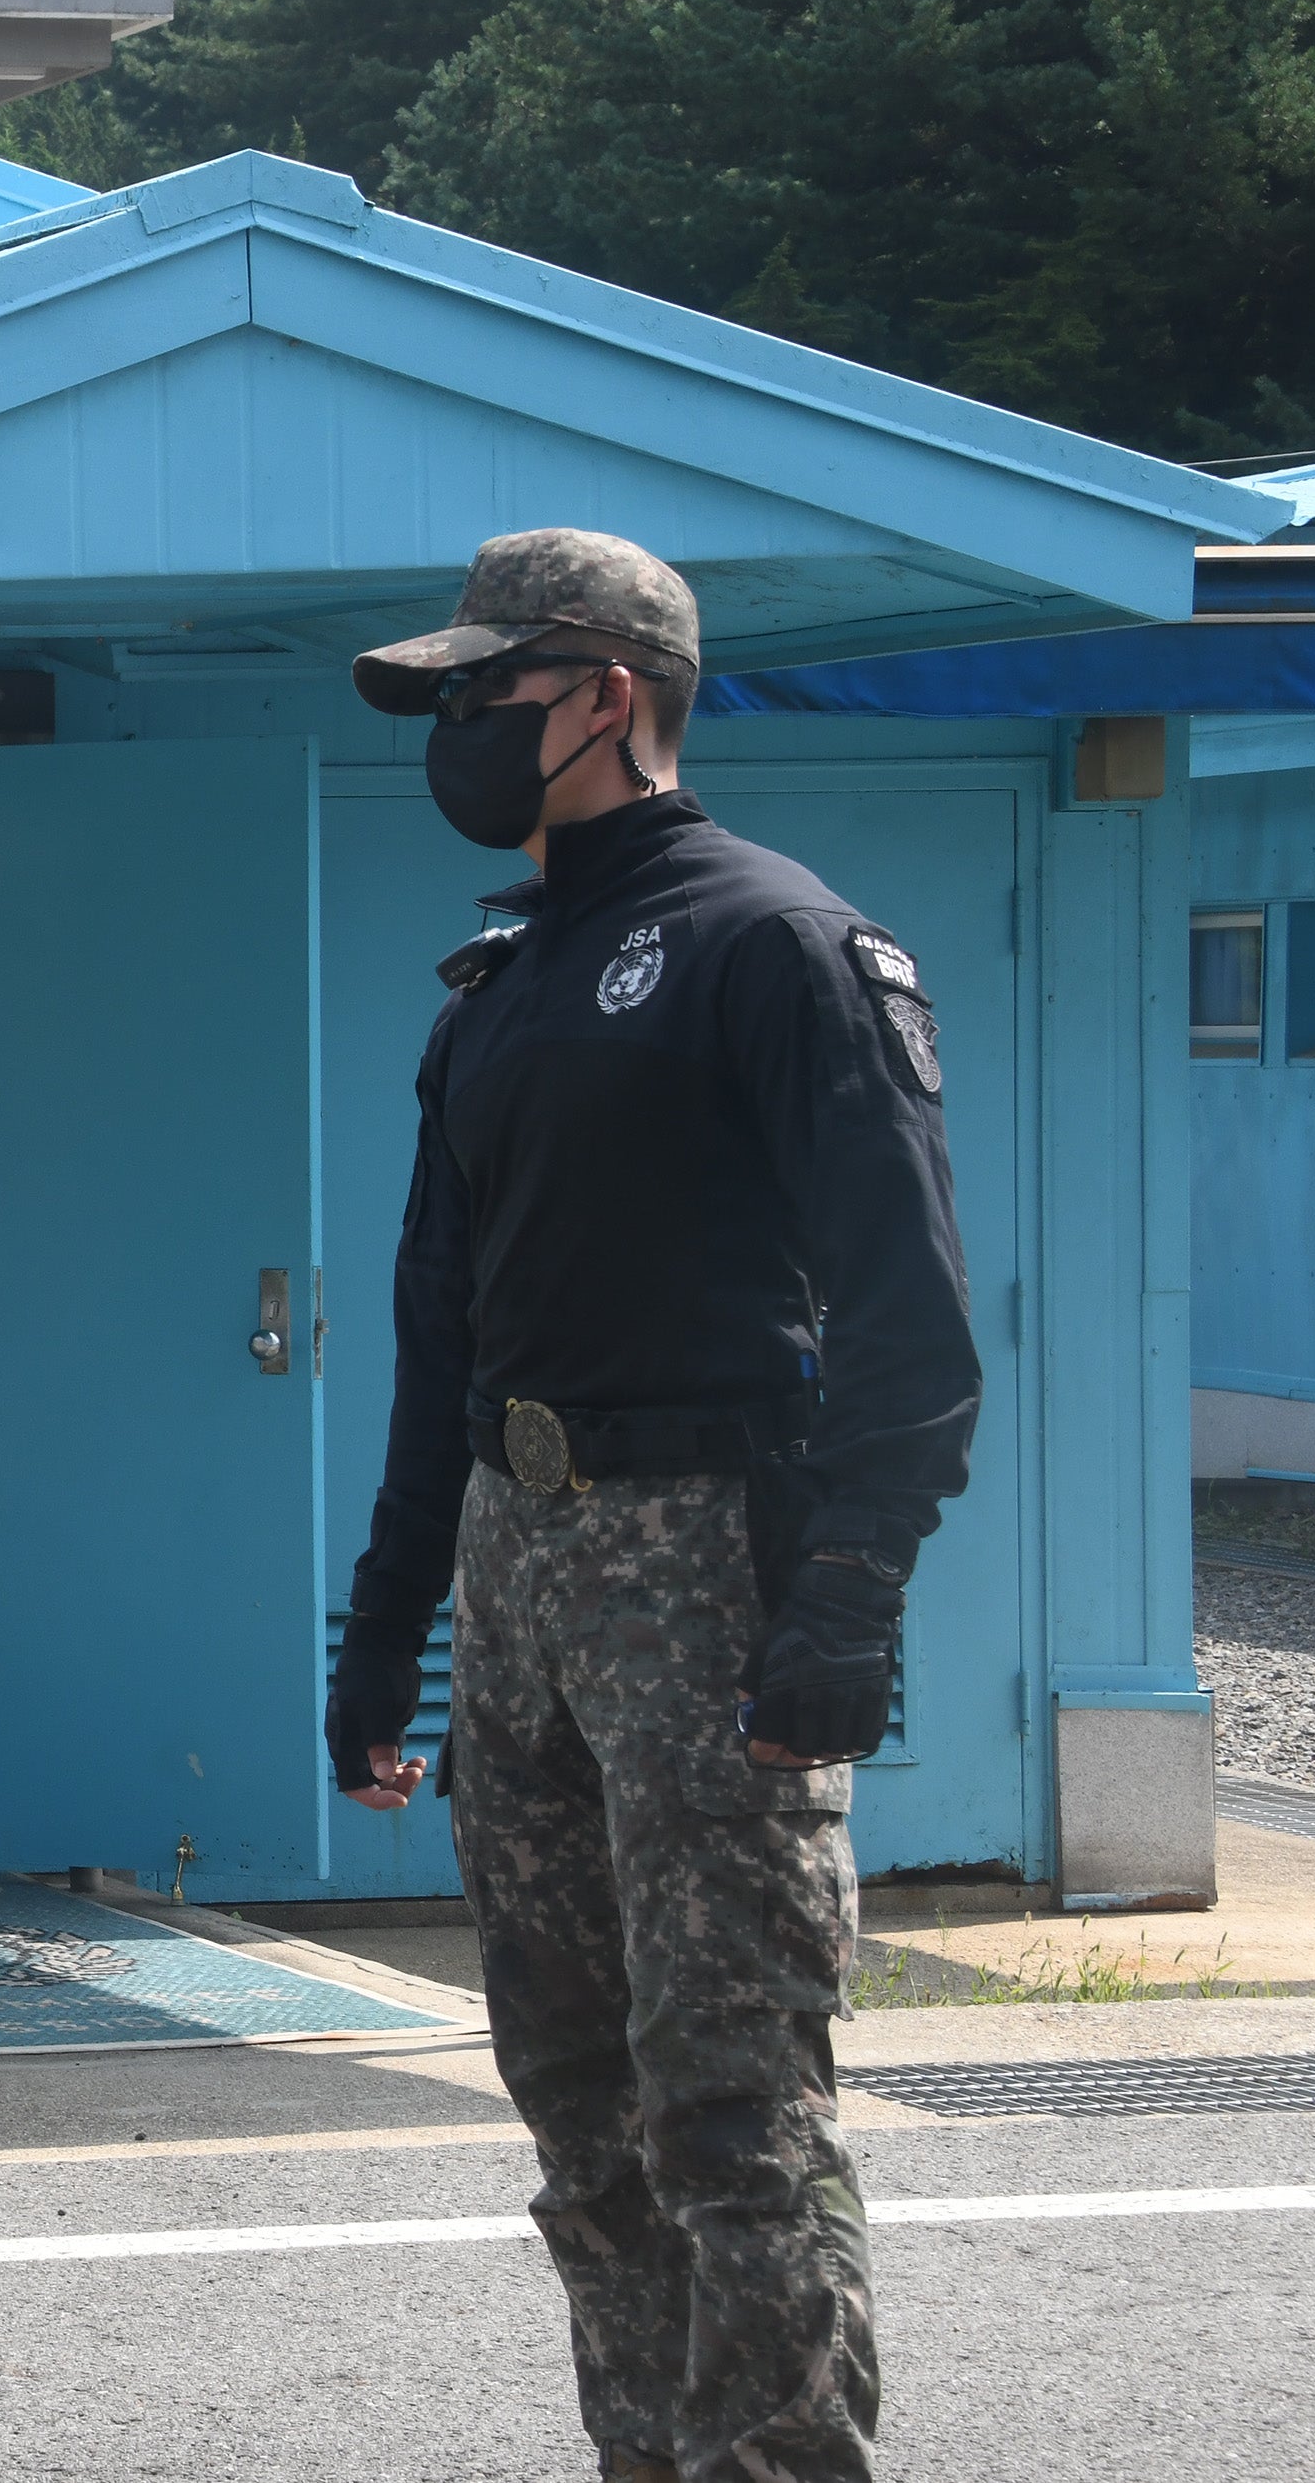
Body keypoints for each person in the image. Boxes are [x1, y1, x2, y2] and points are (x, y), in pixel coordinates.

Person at [326, 527, 982, 2483]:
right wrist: (387, 1633)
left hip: (706, 1558)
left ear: (607, 692)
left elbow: (906, 1317)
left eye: (485, 692)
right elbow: (439, 1333)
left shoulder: (769, 943)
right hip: (520, 1568)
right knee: (578, 2126)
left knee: (728, 2126)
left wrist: (844, 1604)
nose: (454, 727)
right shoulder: (495, 984)